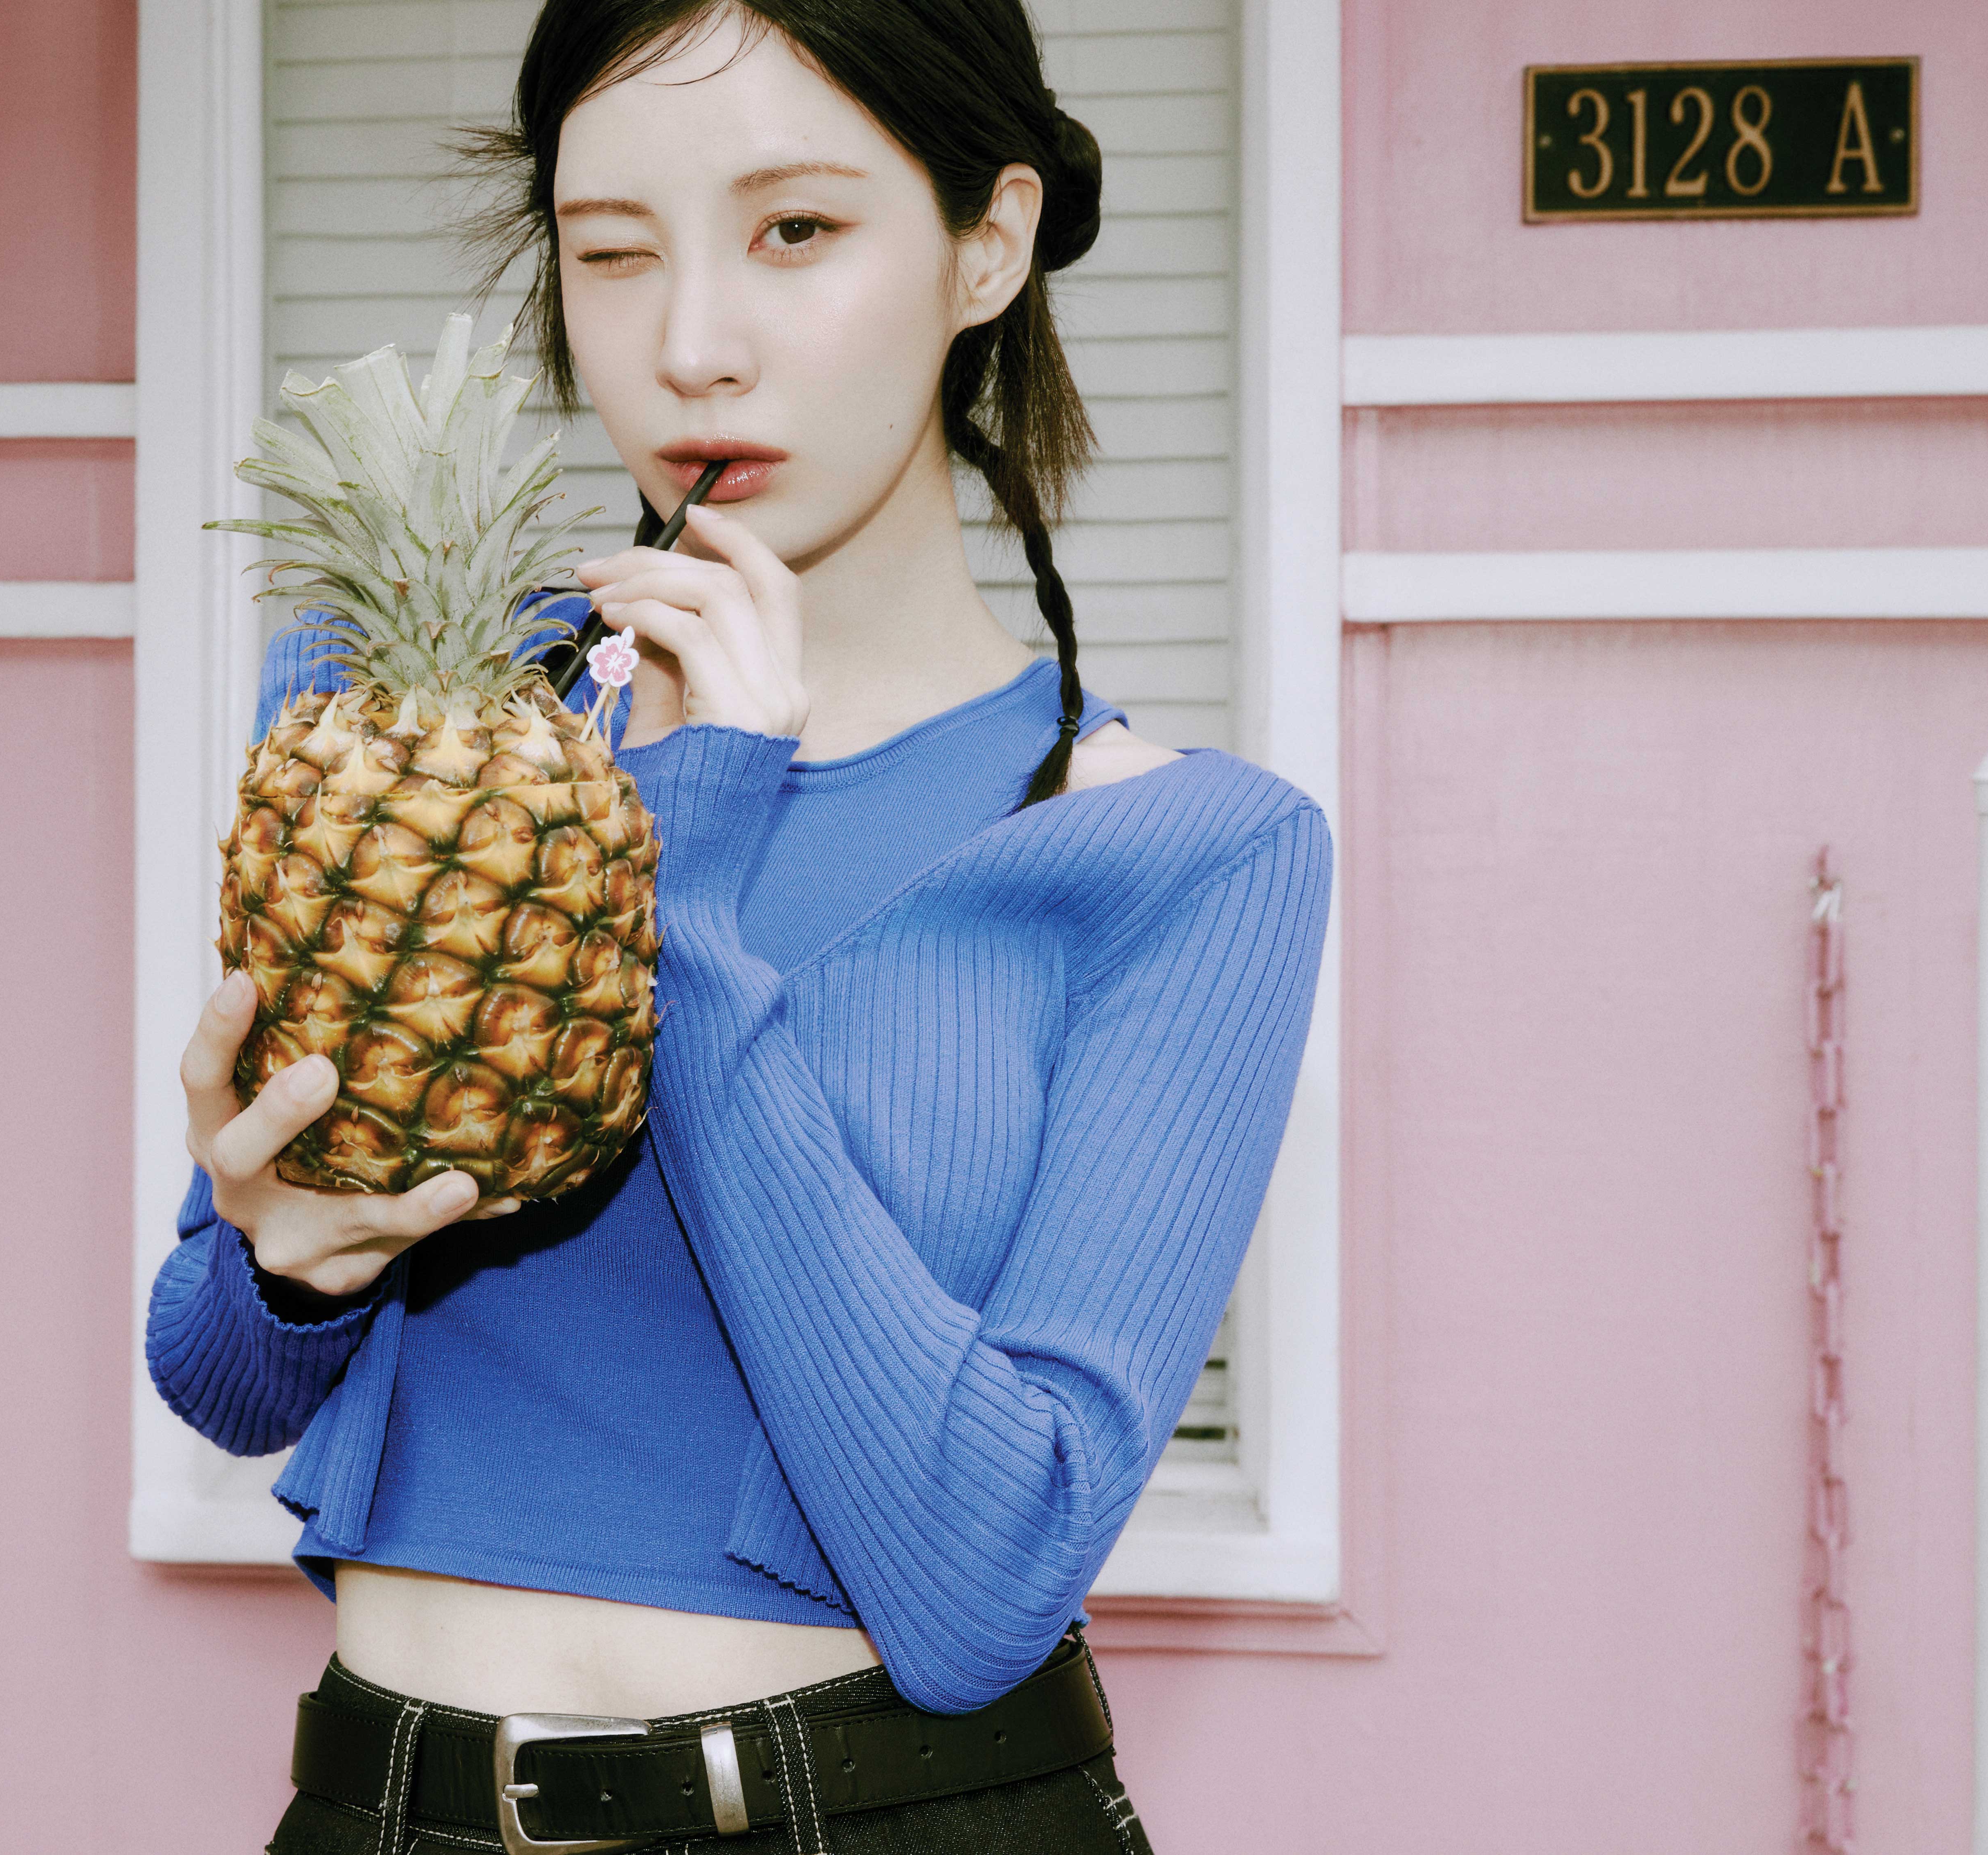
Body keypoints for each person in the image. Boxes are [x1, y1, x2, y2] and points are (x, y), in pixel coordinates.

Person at [146, 2, 1331, 1848]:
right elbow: (220, 1383)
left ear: (988, 244)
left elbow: (982, 1585)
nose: (691, 346)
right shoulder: (426, 734)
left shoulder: (1183, 847)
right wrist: (286, 1265)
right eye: (613, 253)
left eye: (795, 230)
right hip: (386, 1809)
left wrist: (684, 896)